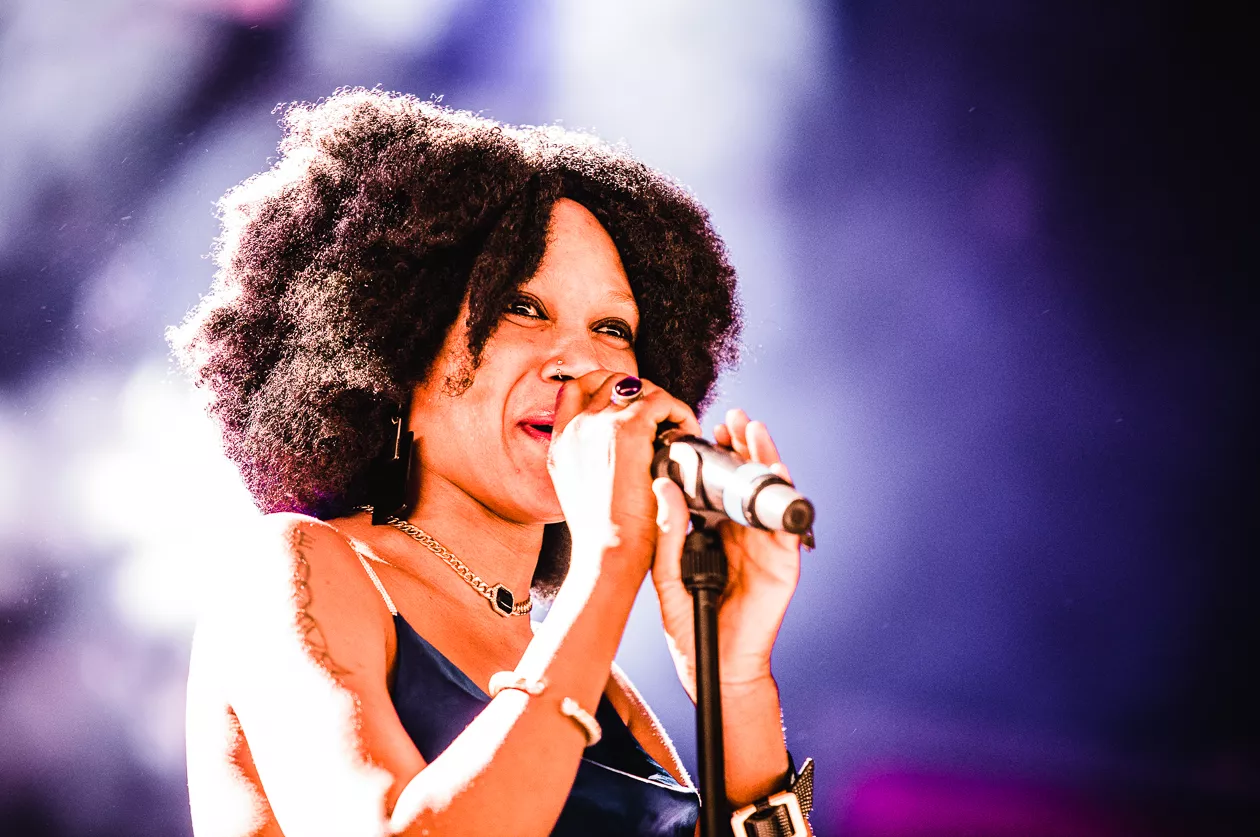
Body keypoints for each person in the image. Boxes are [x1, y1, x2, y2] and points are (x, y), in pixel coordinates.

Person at [173, 88, 810, 837]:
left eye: (613, 327)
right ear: (396, 347)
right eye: (523, 308)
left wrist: (735, 681)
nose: (581, 360)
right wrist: (610, 559)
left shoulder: (598, 680)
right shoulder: (293, 566)